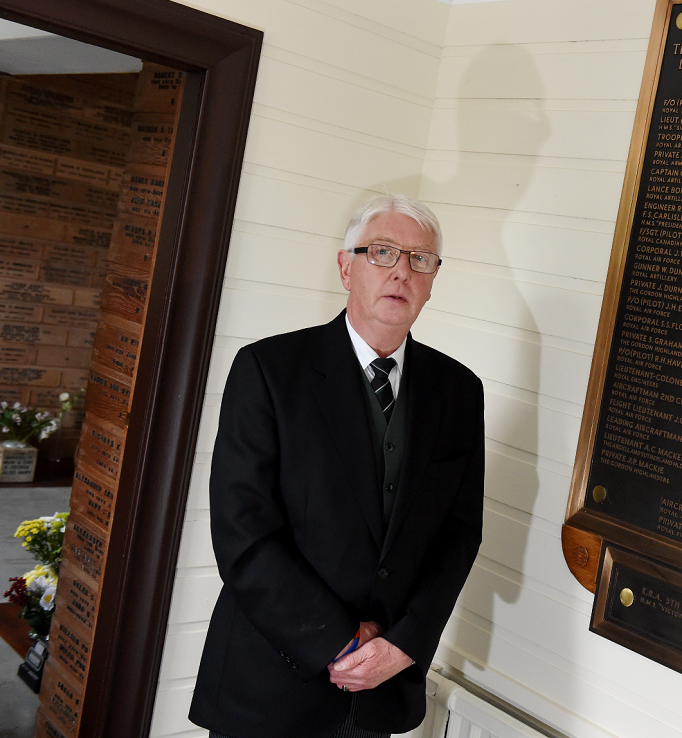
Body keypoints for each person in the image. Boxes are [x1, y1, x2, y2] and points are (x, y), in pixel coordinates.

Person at [190, 195, 484, 738]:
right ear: (346, 267)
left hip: (381, 695)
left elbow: (459, 535)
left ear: (433, 278)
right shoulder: (269, 369)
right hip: (270, 689)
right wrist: (340, 642)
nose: (402, 270)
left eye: (421, 259)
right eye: (383, 252)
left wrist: (403, 645)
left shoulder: (460, 392)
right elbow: (242, 531)